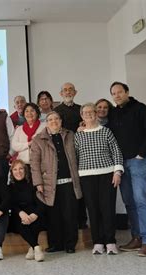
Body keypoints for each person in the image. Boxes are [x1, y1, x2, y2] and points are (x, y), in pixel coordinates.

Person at [108, 81, 146, 257]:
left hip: (139, 161)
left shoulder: (141, 109)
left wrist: (142, 153)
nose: (117, 95)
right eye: (113, 93)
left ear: (127, 92)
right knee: (129, 201)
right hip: (122, 164)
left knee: (140, 199)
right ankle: (136, 237)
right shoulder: (113, 113)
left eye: (119, 92)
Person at [74, 103, 124, 255]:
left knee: (107, 209)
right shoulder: (79, 135)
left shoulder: (106, 131)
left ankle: (110, 242)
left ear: (96, 114)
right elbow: (75, 156)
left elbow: (116, 151)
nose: (88, 114)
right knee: (93, 210)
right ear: (82, 116)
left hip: (107, 174)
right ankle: (98, 242)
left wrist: (117, 172)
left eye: (91, 111)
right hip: (86, 176)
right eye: (85, 112)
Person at [30, 111, 82, 254]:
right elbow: (34, 164)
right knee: (53, 216)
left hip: (70, 182)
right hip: (49, 184)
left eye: (56, 119)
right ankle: (55, 244)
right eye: (50, 119)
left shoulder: (70, 135)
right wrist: (38, 183)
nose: (54, 121)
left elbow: (78, 154)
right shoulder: (38, 139)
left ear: (61, 121)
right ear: (46, 122)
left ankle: (70, 244)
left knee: (70, 214)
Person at [54, 82, 87, 229]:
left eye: (70, 90)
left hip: (81, 154)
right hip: (63, 155)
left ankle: (81, 221)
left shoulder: (81, 110)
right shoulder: (56, 111)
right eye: (65, 90)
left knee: (80, 187)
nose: (68, 92)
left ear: (75, 92)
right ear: (61, 94)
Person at [9, 160, 45, 262]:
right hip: (18, 215)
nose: (18, 172)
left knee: (35, 222)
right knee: (20, 222)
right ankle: (36, 247)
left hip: (34, 214)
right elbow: (11, 204)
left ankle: (32, 248)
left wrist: (35, 215)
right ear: (12, 172)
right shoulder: (10, 187)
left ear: (25, 170)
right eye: (15, 169)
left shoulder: (33, 184)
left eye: (21, 168)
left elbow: (41, 203)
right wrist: (21, 213)